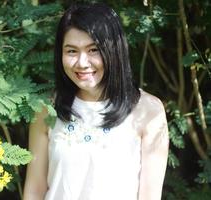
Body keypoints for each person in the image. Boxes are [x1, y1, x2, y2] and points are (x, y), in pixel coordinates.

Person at [23, 2, 169, 200]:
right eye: (72, 51)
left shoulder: (148, 110)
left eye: (93, 50)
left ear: (114, 50)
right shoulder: (46, 108)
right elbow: (34, 191)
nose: (82, 63)